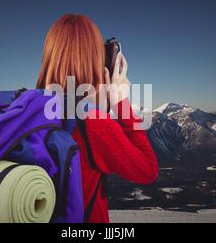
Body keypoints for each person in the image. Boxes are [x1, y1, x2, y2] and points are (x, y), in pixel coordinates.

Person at [36, 14, 158, 223]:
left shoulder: (32, 109)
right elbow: (147, 170)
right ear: (95, 58)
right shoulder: (93, 123)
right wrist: (121, 103)